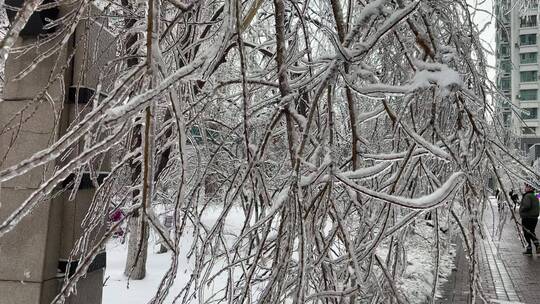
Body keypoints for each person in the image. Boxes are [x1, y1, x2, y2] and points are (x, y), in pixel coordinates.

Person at [519, 183, 540, 254]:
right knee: (531, 232)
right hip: (534, 218)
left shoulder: (527, 196)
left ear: (530, 188)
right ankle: (537, 246)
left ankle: (529, 248)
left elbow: (527, 206)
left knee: (526, 233)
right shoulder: (535, 196)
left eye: (526, 187)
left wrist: (521, 209)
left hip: (527, 217)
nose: (525, 188)